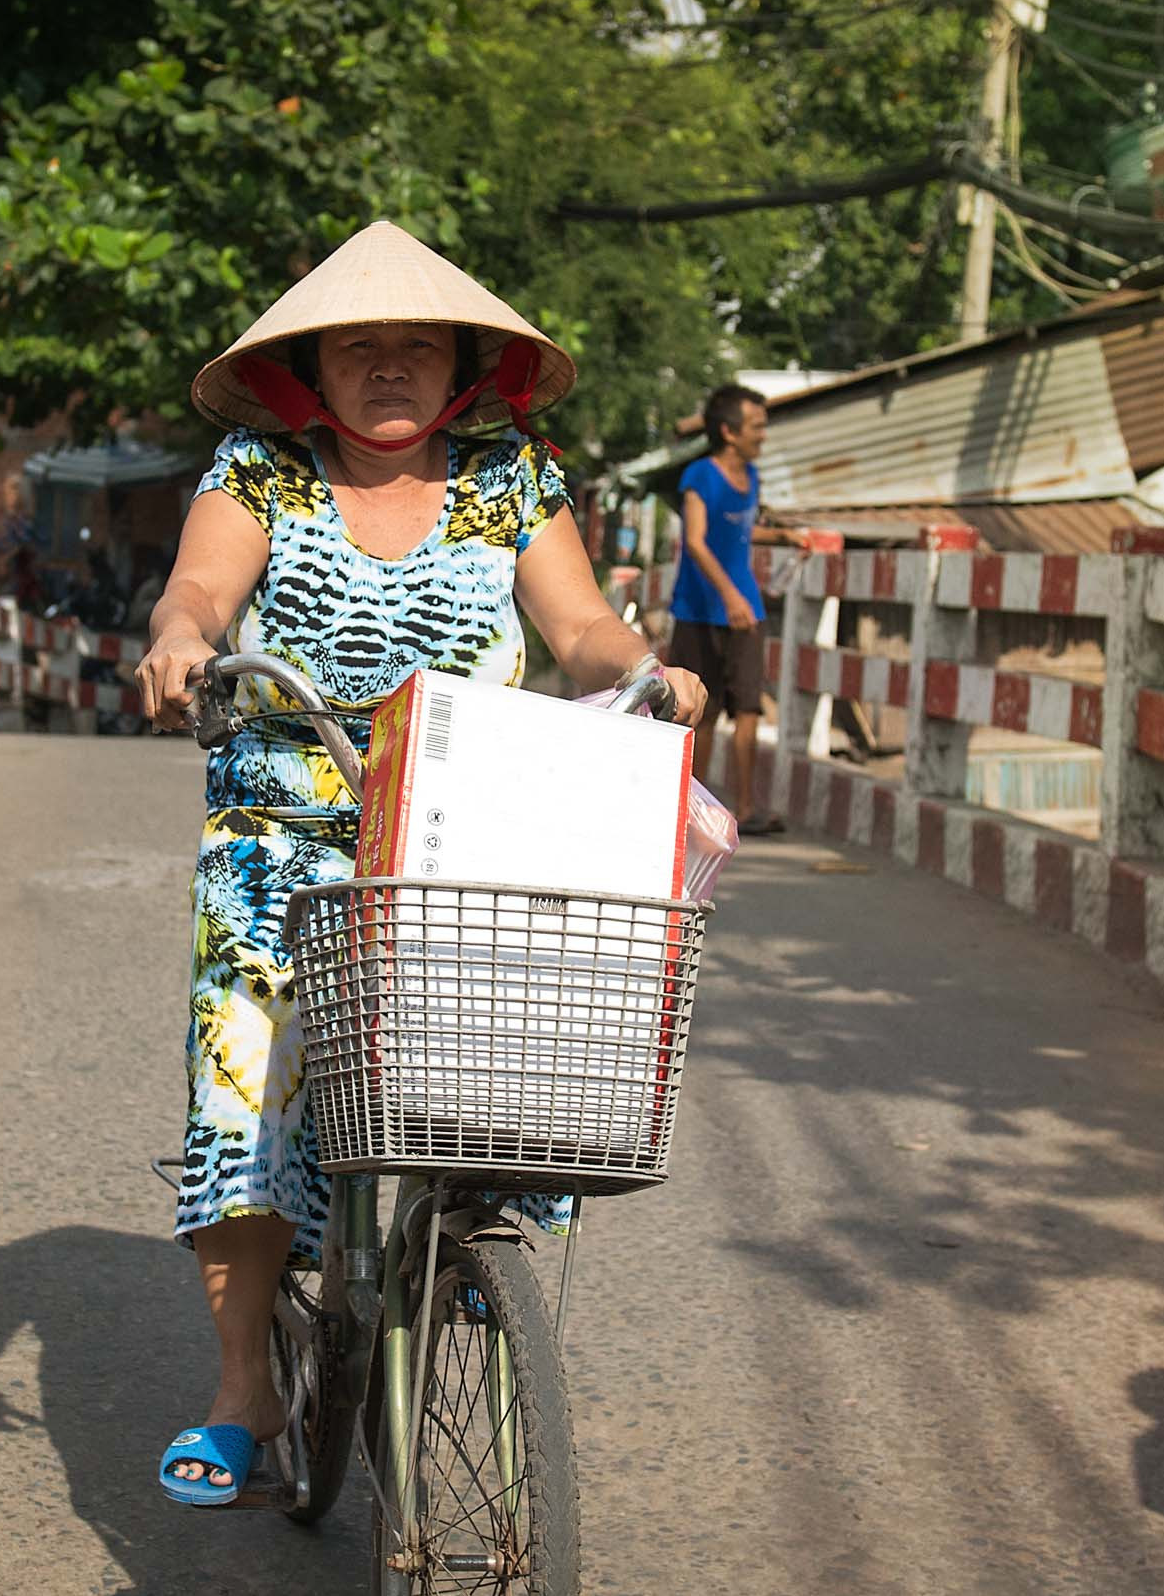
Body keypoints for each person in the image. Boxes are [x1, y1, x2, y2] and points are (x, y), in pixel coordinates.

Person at [134, 220, 707, 1504]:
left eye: (414, 345)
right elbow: (201, 587)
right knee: (245, 1096)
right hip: (283, 834)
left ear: (458, 363)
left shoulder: (510, 474)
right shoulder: (261, 467)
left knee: (511, 1075)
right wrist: (179, 637)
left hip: (466, 827)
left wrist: (642, 673)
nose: (387, 367)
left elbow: (578, 622)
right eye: (357, 346)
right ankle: (242, 1392)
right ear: (310, 369)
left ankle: (455, 1270)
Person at [668, 385, 819, 835]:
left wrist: (783, 538)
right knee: (702, 712)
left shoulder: (751, 477)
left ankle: (747, 808)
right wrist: (728, 594)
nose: (763, 436)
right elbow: (695, 541)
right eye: (757, 427)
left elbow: (739, 532)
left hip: (744, 611)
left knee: (749, 707)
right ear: (730, 432)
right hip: (700, 610)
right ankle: (693, 808)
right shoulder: (700, 476)